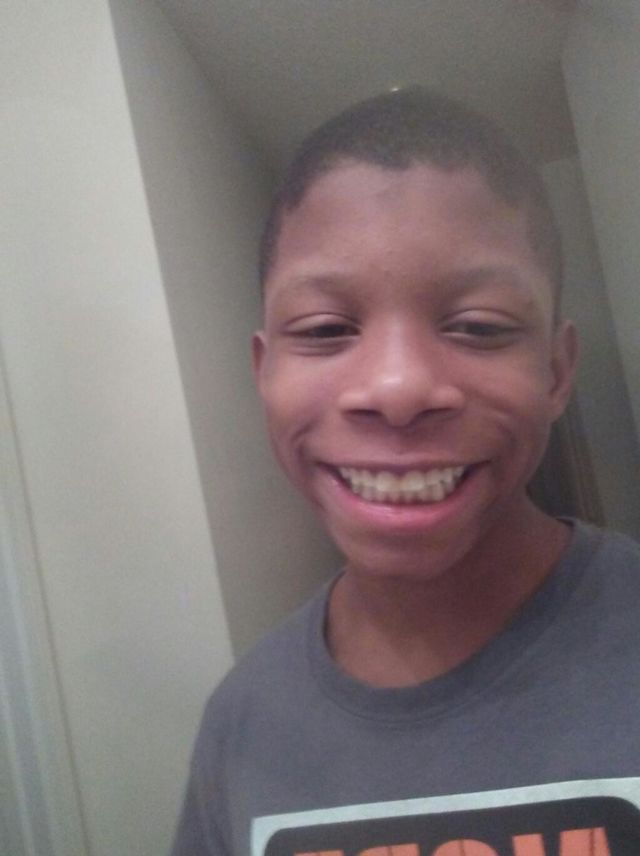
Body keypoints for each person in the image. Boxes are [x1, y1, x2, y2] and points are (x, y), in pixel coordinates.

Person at [171, 88, 640, 856]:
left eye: (478, 326)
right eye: (325, 328)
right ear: (264, 372)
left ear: (557, 372)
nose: (397, 389)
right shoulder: (241, 721)